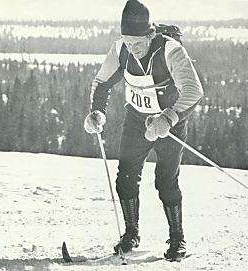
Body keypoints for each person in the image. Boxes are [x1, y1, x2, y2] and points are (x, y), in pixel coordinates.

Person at [84, 0, 203, 261]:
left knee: (166, 180)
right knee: (125, 175)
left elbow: (193, 91)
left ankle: (177, 238)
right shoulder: (121, 50)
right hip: (137, 119)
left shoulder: (170, 50)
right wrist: (97, 112)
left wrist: (168, 117)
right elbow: (102, 83)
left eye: (138, 43)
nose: (133, 49)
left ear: (150, 35)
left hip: (170, 121)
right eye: (128, 42)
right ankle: (131, 234)